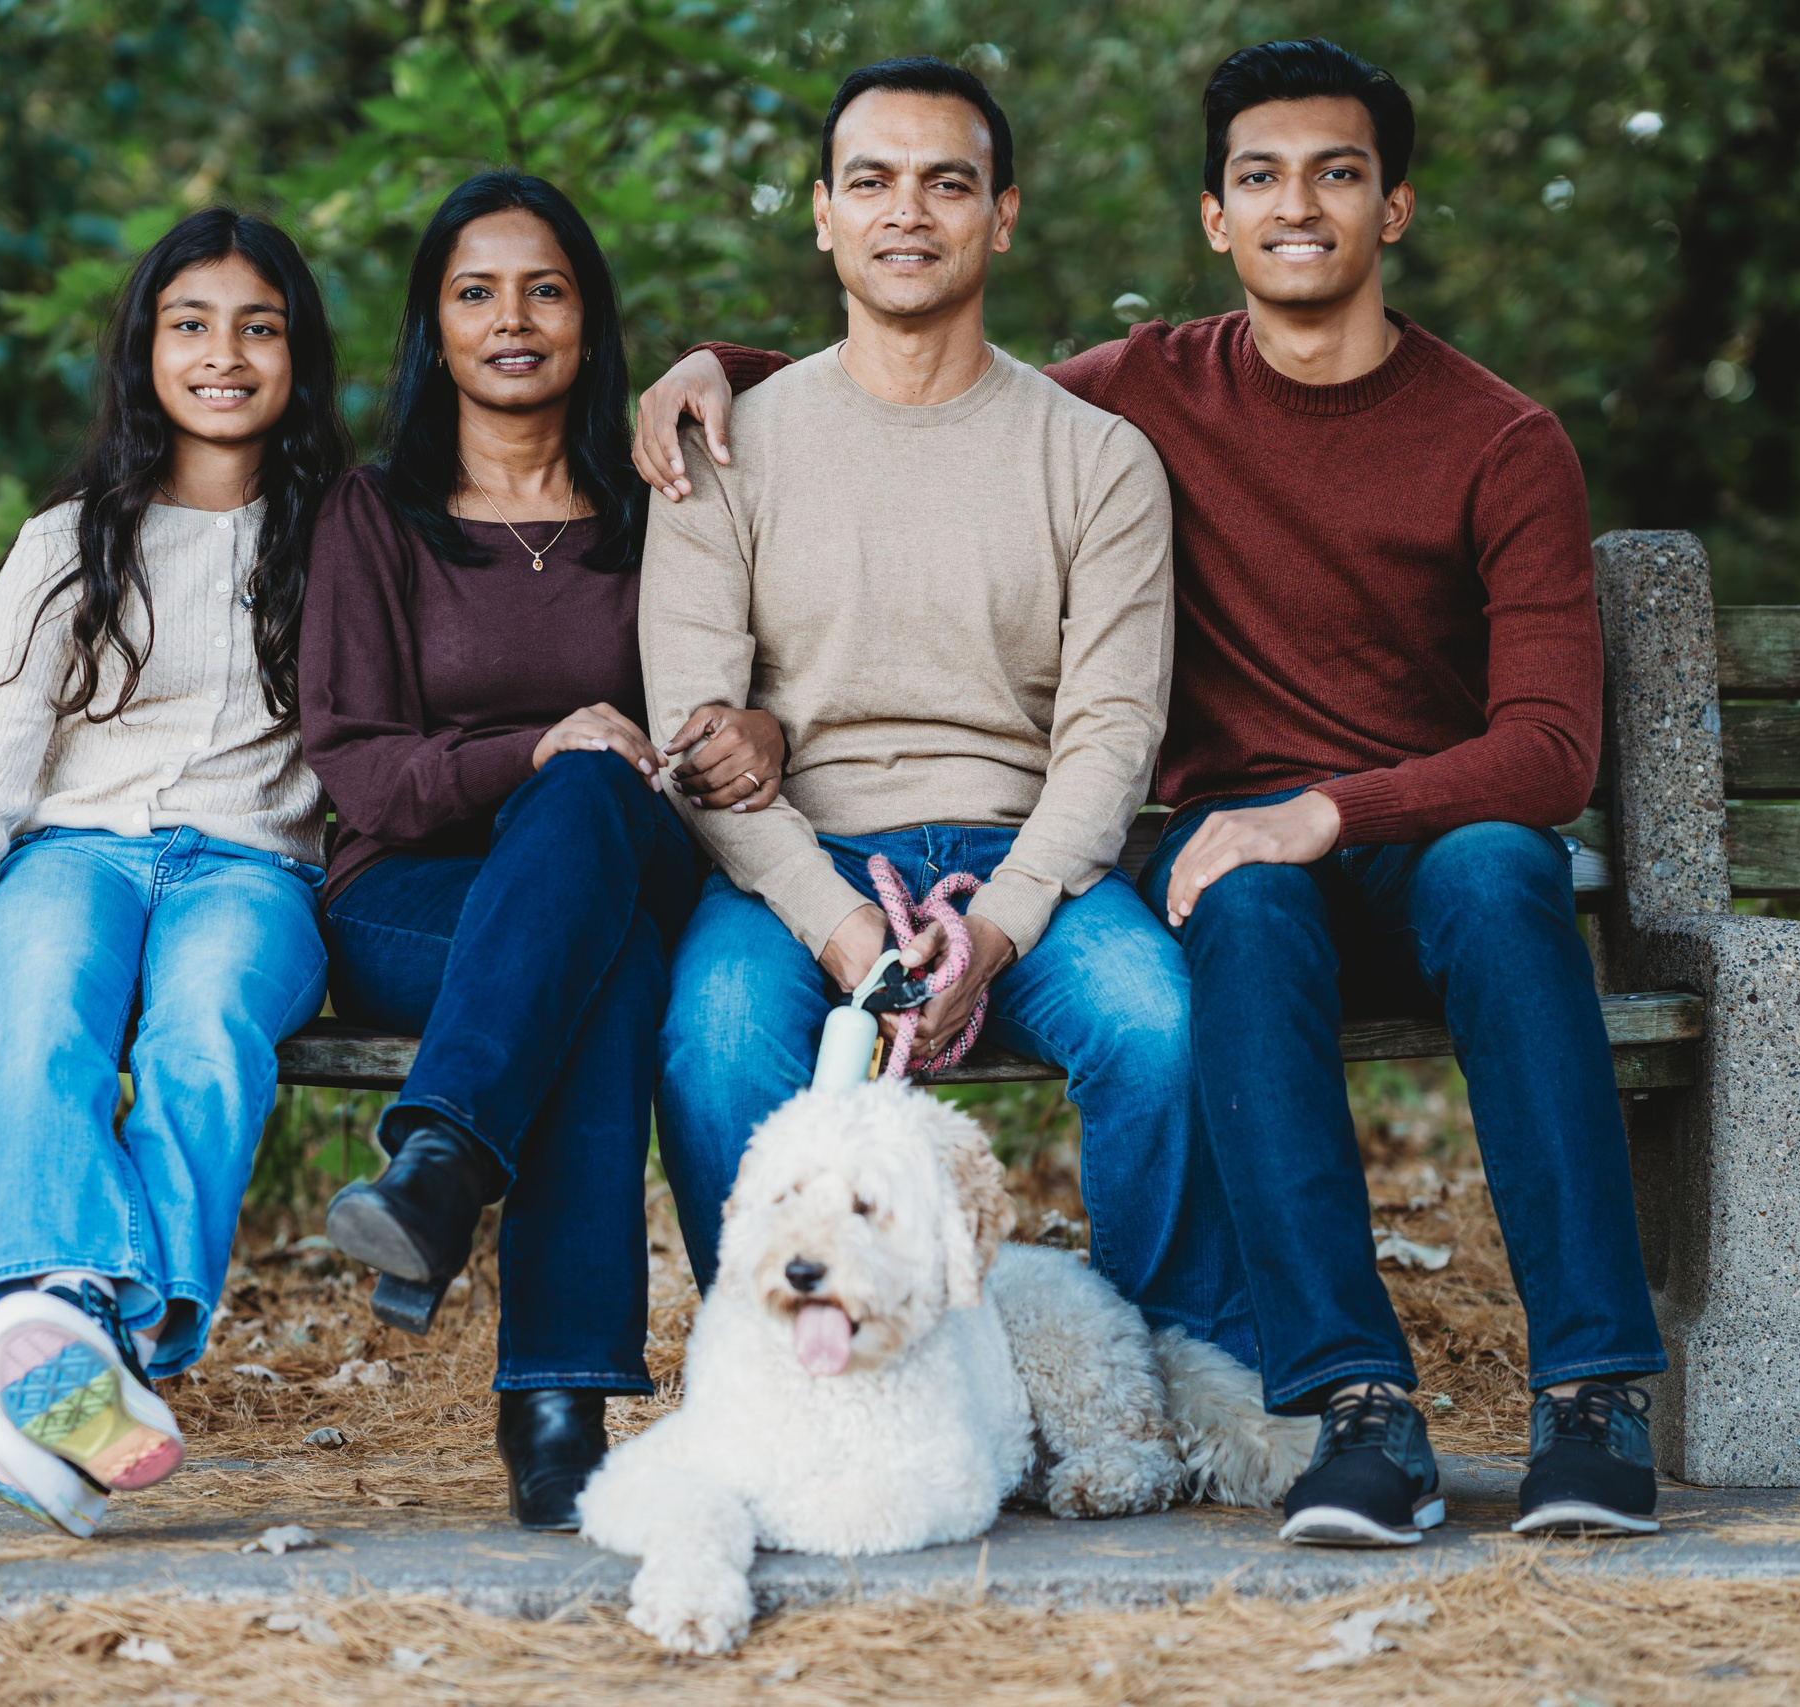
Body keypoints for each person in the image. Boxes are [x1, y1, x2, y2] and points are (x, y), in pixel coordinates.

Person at [634, 39, 1669, 1548]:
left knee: (1469, 887)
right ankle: (1331, 1402)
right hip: (1073, 870)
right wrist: (709, 368)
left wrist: (1286, 821)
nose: (1297, 206)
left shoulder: (1477, 442)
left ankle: (1535, 1392)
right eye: (1261, 177)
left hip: (1340, 847)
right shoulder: (1120, 394)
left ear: (1397, 209)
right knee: (1203, 927)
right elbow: (906, 395)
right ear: (1213, 217)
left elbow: (1542, 754)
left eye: (1337, 174)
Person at [638, 57, 1263, 1425]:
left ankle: (1164, 1383)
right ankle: (773, 1380)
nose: (906, 212)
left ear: (1004, 216)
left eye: (947, 182)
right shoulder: (722, 448)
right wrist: (837, 931)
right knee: (716, 1035)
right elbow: (694, 738)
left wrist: (998, 932)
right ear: (821, 215)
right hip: (801, 852)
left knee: (1158, 1022)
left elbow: (1110, 736)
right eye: (871, 182)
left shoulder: (1096, 460)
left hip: (1020, 853)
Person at [300, 172, 787, 1531]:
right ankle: (559, 1398)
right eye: (475, 292)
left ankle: (445, 1166)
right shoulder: (374, 516)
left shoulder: (666, 500)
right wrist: (532, 751)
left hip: (636, 850)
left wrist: (713, 363)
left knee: (589, 822)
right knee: (601, 951)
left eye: (546, 288)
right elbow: (362, 772)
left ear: (591, 320)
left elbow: (851, 373)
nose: (511, 318)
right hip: (414, 904)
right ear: (434, 328)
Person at [0, 210, 348, 1538]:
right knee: (50, 1016)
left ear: (299, 358)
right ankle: (89, 1350)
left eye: (260, 327)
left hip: (254, 875)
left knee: (207, 1028)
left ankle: (78, 1356)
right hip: (69, 858)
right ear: (146, 349)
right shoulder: (68, 542)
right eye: (190, 324)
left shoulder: (346, 542)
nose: (223, 354)